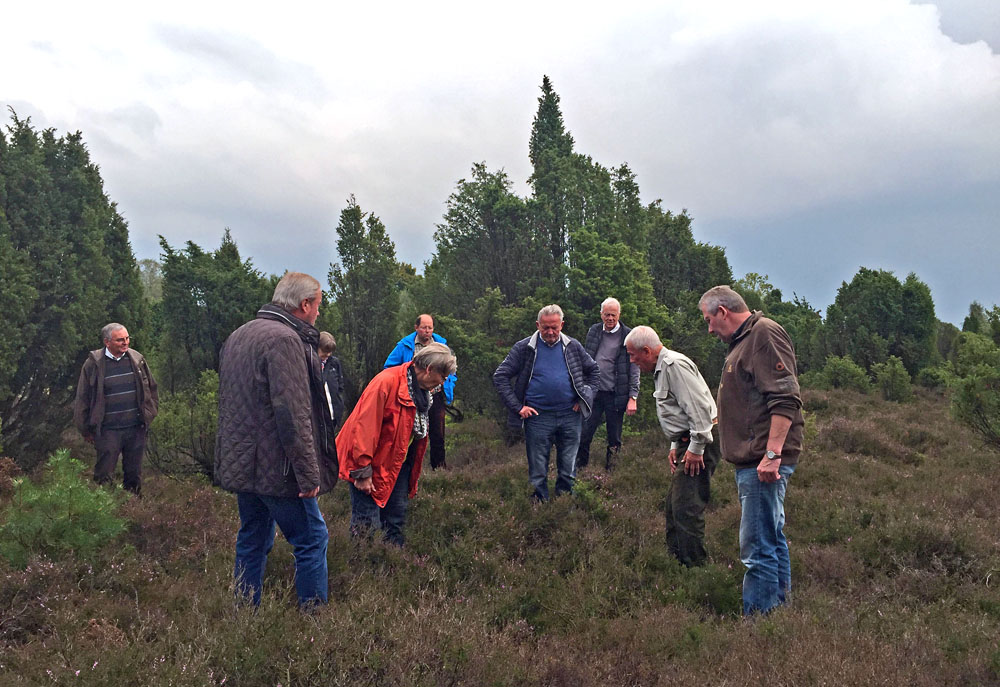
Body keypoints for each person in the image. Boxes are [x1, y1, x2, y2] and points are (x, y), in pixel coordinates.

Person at [215, 272, 337, 608]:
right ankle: (315, 621)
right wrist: (308, 475)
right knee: (312, 539)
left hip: (244, 464)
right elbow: (293, 414)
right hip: (277, 468)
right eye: (318, 305)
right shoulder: (285, 341)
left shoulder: (240, 334)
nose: (318, 313)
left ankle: (244, 615)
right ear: (305, 304)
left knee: (252, 538)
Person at [699, 285, 804, 615]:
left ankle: (759, 623)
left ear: (722, 312)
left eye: (708, 320)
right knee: (771, 538)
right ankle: (779, 616)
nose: (709, 329)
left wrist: (772, 455)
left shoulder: (763, 334)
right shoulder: (745, 340)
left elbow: (785, 398)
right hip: (756, 460)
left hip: (762, 461)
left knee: (757, 547)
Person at [338, 342, 457, 546]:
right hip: (368, 464)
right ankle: (362, 564)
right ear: (429, 369)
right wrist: (362, 471)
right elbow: (364, 428)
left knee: (395, 521)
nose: (443, 382)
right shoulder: (386, 383)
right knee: (366, 524)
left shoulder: (423, 393)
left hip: (397, 464)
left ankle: (392, 561)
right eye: (443, 377)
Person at [624, 326, 719, 567]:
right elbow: (678, 411)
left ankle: (694, 569)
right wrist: (675, 444)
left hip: (700, 441)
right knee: (674, 506)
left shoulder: (673, 366)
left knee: (687, 507)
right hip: (689, 441)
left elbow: (698, 409)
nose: (632, 361)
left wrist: (696, 449)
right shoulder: (661, 368)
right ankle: (675, 565)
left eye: (633, 355)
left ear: (647, 351)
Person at [493, 304, 600, 501]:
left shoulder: (573, 346)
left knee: (568, 469)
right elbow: (500, 376)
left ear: (562, 325)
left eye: (554, 327)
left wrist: (585, 397)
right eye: (545, 328)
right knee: (537, 471)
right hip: (538, 417)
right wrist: (518, 407)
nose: (550, 332)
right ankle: (538, 507)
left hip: (570, 415)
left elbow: (594, 372)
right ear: (537, 325)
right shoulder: (524, 348)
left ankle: (564, 506)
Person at [73, 323, 158, 495]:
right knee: (104, 475)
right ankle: (103, 508)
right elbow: (82, 398)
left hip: (136, 428)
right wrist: (85, 429)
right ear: (107, 342)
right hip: (107, 430)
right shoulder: (93, 364)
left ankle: (133, 507)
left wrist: (150, 413)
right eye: (120, 340)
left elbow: (152, 388)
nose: (125, 343)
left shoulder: (137, 360)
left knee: (134, 475)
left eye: (127, 338)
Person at [384, 314, 457, 469]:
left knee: (438, 433)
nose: (427, 331)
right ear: (416, 328)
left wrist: (449, 385)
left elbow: (451, 370)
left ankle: (439, 468)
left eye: (430, 327)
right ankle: (409, 467)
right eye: (424, 327)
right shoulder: (405, 345)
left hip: (436, 395)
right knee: (413, 432)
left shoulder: (441, 345)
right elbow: (389, 367)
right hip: (412, 396)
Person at [577, 297, 640, 471]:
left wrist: (633, 397)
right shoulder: (594, 331)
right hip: (593, 393)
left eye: (613, 315)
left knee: (614, 438)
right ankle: (580, 470)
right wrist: (579, 390)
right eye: (607, 315)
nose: (610, 318)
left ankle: (612, 473)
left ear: (619, 314)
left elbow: (634, 368)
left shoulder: (628, 335)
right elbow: (584, 361)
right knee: (584, 433)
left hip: (615, 394)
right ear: (601, 314)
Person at [318, 331, 345, 428]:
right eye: (325, 351)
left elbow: (340, 386)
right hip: (318, 417)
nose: (328, 354)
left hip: (333, 415)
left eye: (330, 351)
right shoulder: (310, 364)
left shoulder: (334, 363)